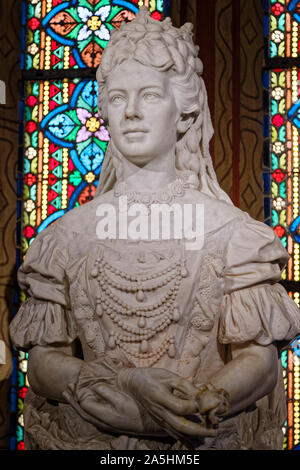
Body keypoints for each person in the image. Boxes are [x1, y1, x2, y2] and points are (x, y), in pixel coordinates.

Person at [10, 8, 300, 450]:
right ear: (104, 110)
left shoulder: (233, 234)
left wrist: (204, 401)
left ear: (184, 109)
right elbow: (46, 357)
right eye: (119, 98)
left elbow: (258, 358)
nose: (131, 113)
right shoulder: (66, 237)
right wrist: (118, 386)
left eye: (148, 95)